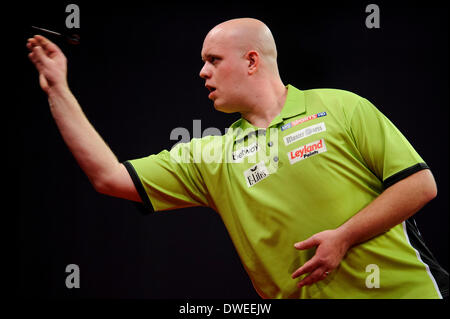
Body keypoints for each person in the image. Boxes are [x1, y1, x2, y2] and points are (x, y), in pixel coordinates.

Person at [26, 17, 448, 299]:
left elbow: (419, 184)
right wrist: (57, 89)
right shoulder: (213, 153)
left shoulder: (342, 108)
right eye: (202, 63)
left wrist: (343, 238)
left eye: (213, 60)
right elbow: (108, 177)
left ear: (251, 61)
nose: (202, 73)